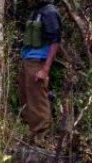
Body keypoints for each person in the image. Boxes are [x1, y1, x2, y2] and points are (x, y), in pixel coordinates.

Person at [19, 0, 61, 146]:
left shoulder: (49, 12)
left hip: (38, 61)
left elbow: (55, 41)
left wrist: (45, 69)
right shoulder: (36, 11)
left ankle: (41, 139)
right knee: (26, 99)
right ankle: (31, 136)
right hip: (27, 59)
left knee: (38, 101)